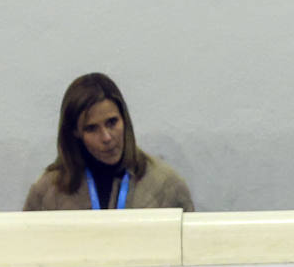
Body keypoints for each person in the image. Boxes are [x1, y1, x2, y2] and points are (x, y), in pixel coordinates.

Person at [24, 73, 194, 211]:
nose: (106, 137)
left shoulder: (165, 185)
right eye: (91, 128)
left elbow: (189, 249)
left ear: (125, 119)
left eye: (112, 122)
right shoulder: (48, 192)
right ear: (75, 132)